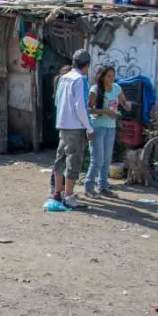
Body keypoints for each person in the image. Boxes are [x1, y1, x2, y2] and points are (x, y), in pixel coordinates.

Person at [51, 49, 93, 208]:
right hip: (75, 126)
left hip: (62, 124)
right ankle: (68, 195)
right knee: (73, 160)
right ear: (87, 65)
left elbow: (57, 102)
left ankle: (58, 192)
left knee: (60, 158)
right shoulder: (80, 80)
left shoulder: (63, 78)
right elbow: (81, 107)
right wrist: (89, 128)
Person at [84, 66, 132, 197]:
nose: (111, 78)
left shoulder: (116, 88)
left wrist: (126, 106)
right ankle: (88, 187)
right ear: (102, 77)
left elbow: (123, 102)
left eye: (113, 75)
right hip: (97, 127)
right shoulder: (95, 90)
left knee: (106, 159)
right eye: (108, 76)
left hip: (111, 127)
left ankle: (103, 186)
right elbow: (89, 109)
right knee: (97, 159)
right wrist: (105, 111)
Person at [49, 65, 72, 195]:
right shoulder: (64, 87)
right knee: (62, 157)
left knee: (61, 156)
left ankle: (58, 185)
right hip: (66, 126)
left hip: (63, 124)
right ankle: (57, 186)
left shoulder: (60, 86)